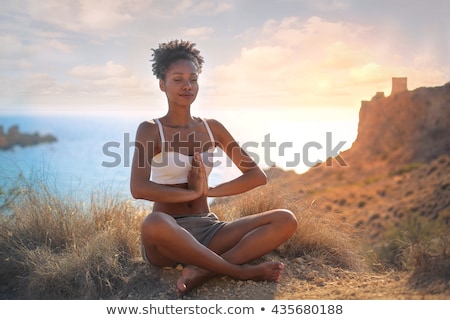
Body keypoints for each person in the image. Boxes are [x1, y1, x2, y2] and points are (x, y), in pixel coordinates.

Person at [130, 39, 298, 298]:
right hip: (167, 237)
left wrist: (209, 192)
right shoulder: (151, 130)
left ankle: (202, 271)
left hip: (209, 231)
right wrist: (192, 193)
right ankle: (239, 271)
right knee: (153, 222)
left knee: (285, 219)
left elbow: (256, 176)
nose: (187, 85)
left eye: (193, 79)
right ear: (162, 84)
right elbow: (138, 188)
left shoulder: (212, 128)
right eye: (178, 79)